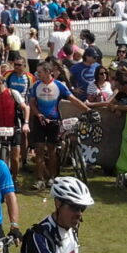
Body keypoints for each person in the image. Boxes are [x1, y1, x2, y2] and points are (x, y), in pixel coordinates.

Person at [28, 62, 89, 190]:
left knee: (52, 151)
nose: (37, 74)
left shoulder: (59, 85)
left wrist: (88, 110)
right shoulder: (36, 85)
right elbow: (32, 103)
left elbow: (73, 100)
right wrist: (38, 114)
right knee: (39, 150)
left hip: (54, 121)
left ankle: (52, 178)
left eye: (40, 72)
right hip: (39, 121)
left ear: (47, 72)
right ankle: (39, 179)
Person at [19, 177, 94, 253]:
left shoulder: (72, 227)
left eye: (82, 208)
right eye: (74, 207)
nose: (79, 214)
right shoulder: (39, 235)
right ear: (58, 203)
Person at [0, 74, 31, 183]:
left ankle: (14, 179)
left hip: (14, 127)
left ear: (0, 82)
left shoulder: (13, 93)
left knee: (15, 158)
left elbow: (26, 108)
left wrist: (26, 123)